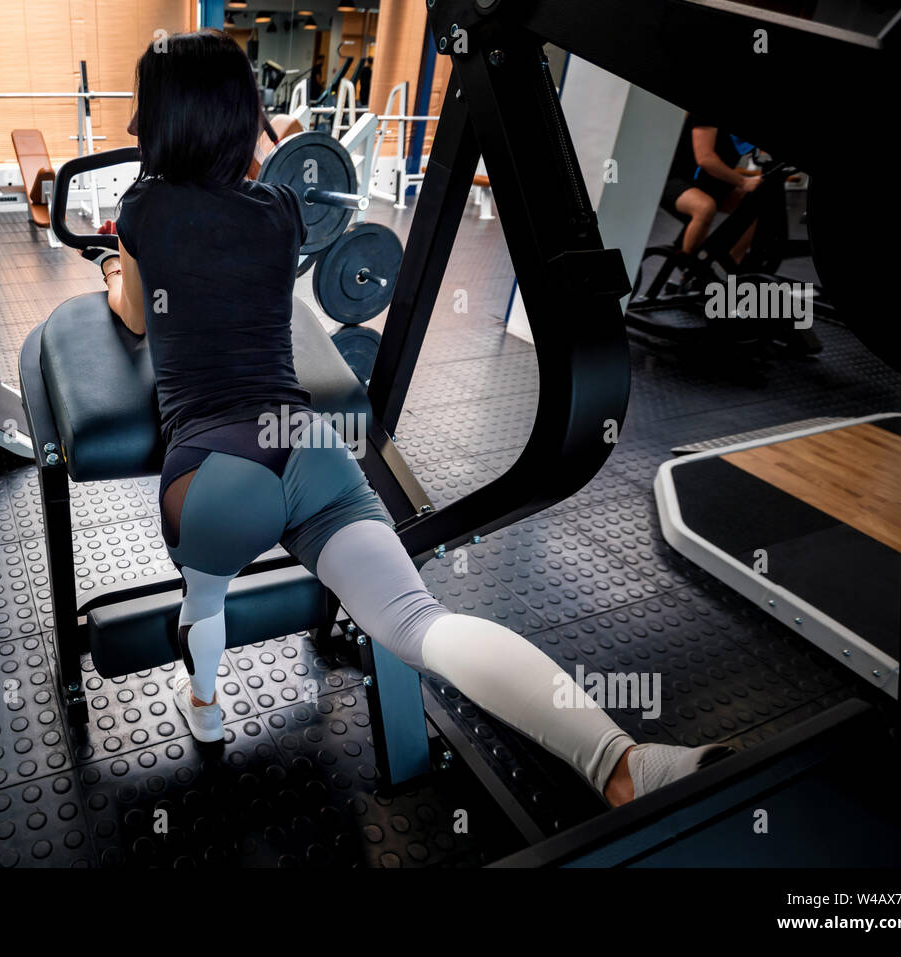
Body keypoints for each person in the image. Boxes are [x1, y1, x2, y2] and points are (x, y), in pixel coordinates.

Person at [95, 30, 732, 807]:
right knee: (419, 622)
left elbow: (131, 318)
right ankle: (624, 763)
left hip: (217, 472)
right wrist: (265, 150)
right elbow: (244, 218)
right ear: (243, 117)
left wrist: (110, 276)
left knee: (206, 596)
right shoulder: (280, 211)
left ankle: (206, 706)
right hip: (309, 454)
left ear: (159, 117)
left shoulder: (142, 210)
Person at [662, 113, 763, 265]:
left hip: (712, 185)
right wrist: (743, 182)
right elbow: (705, 159)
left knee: (754, 208)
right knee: (704, 207)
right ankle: (689, 272)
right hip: (675, 180)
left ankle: (728, 268)